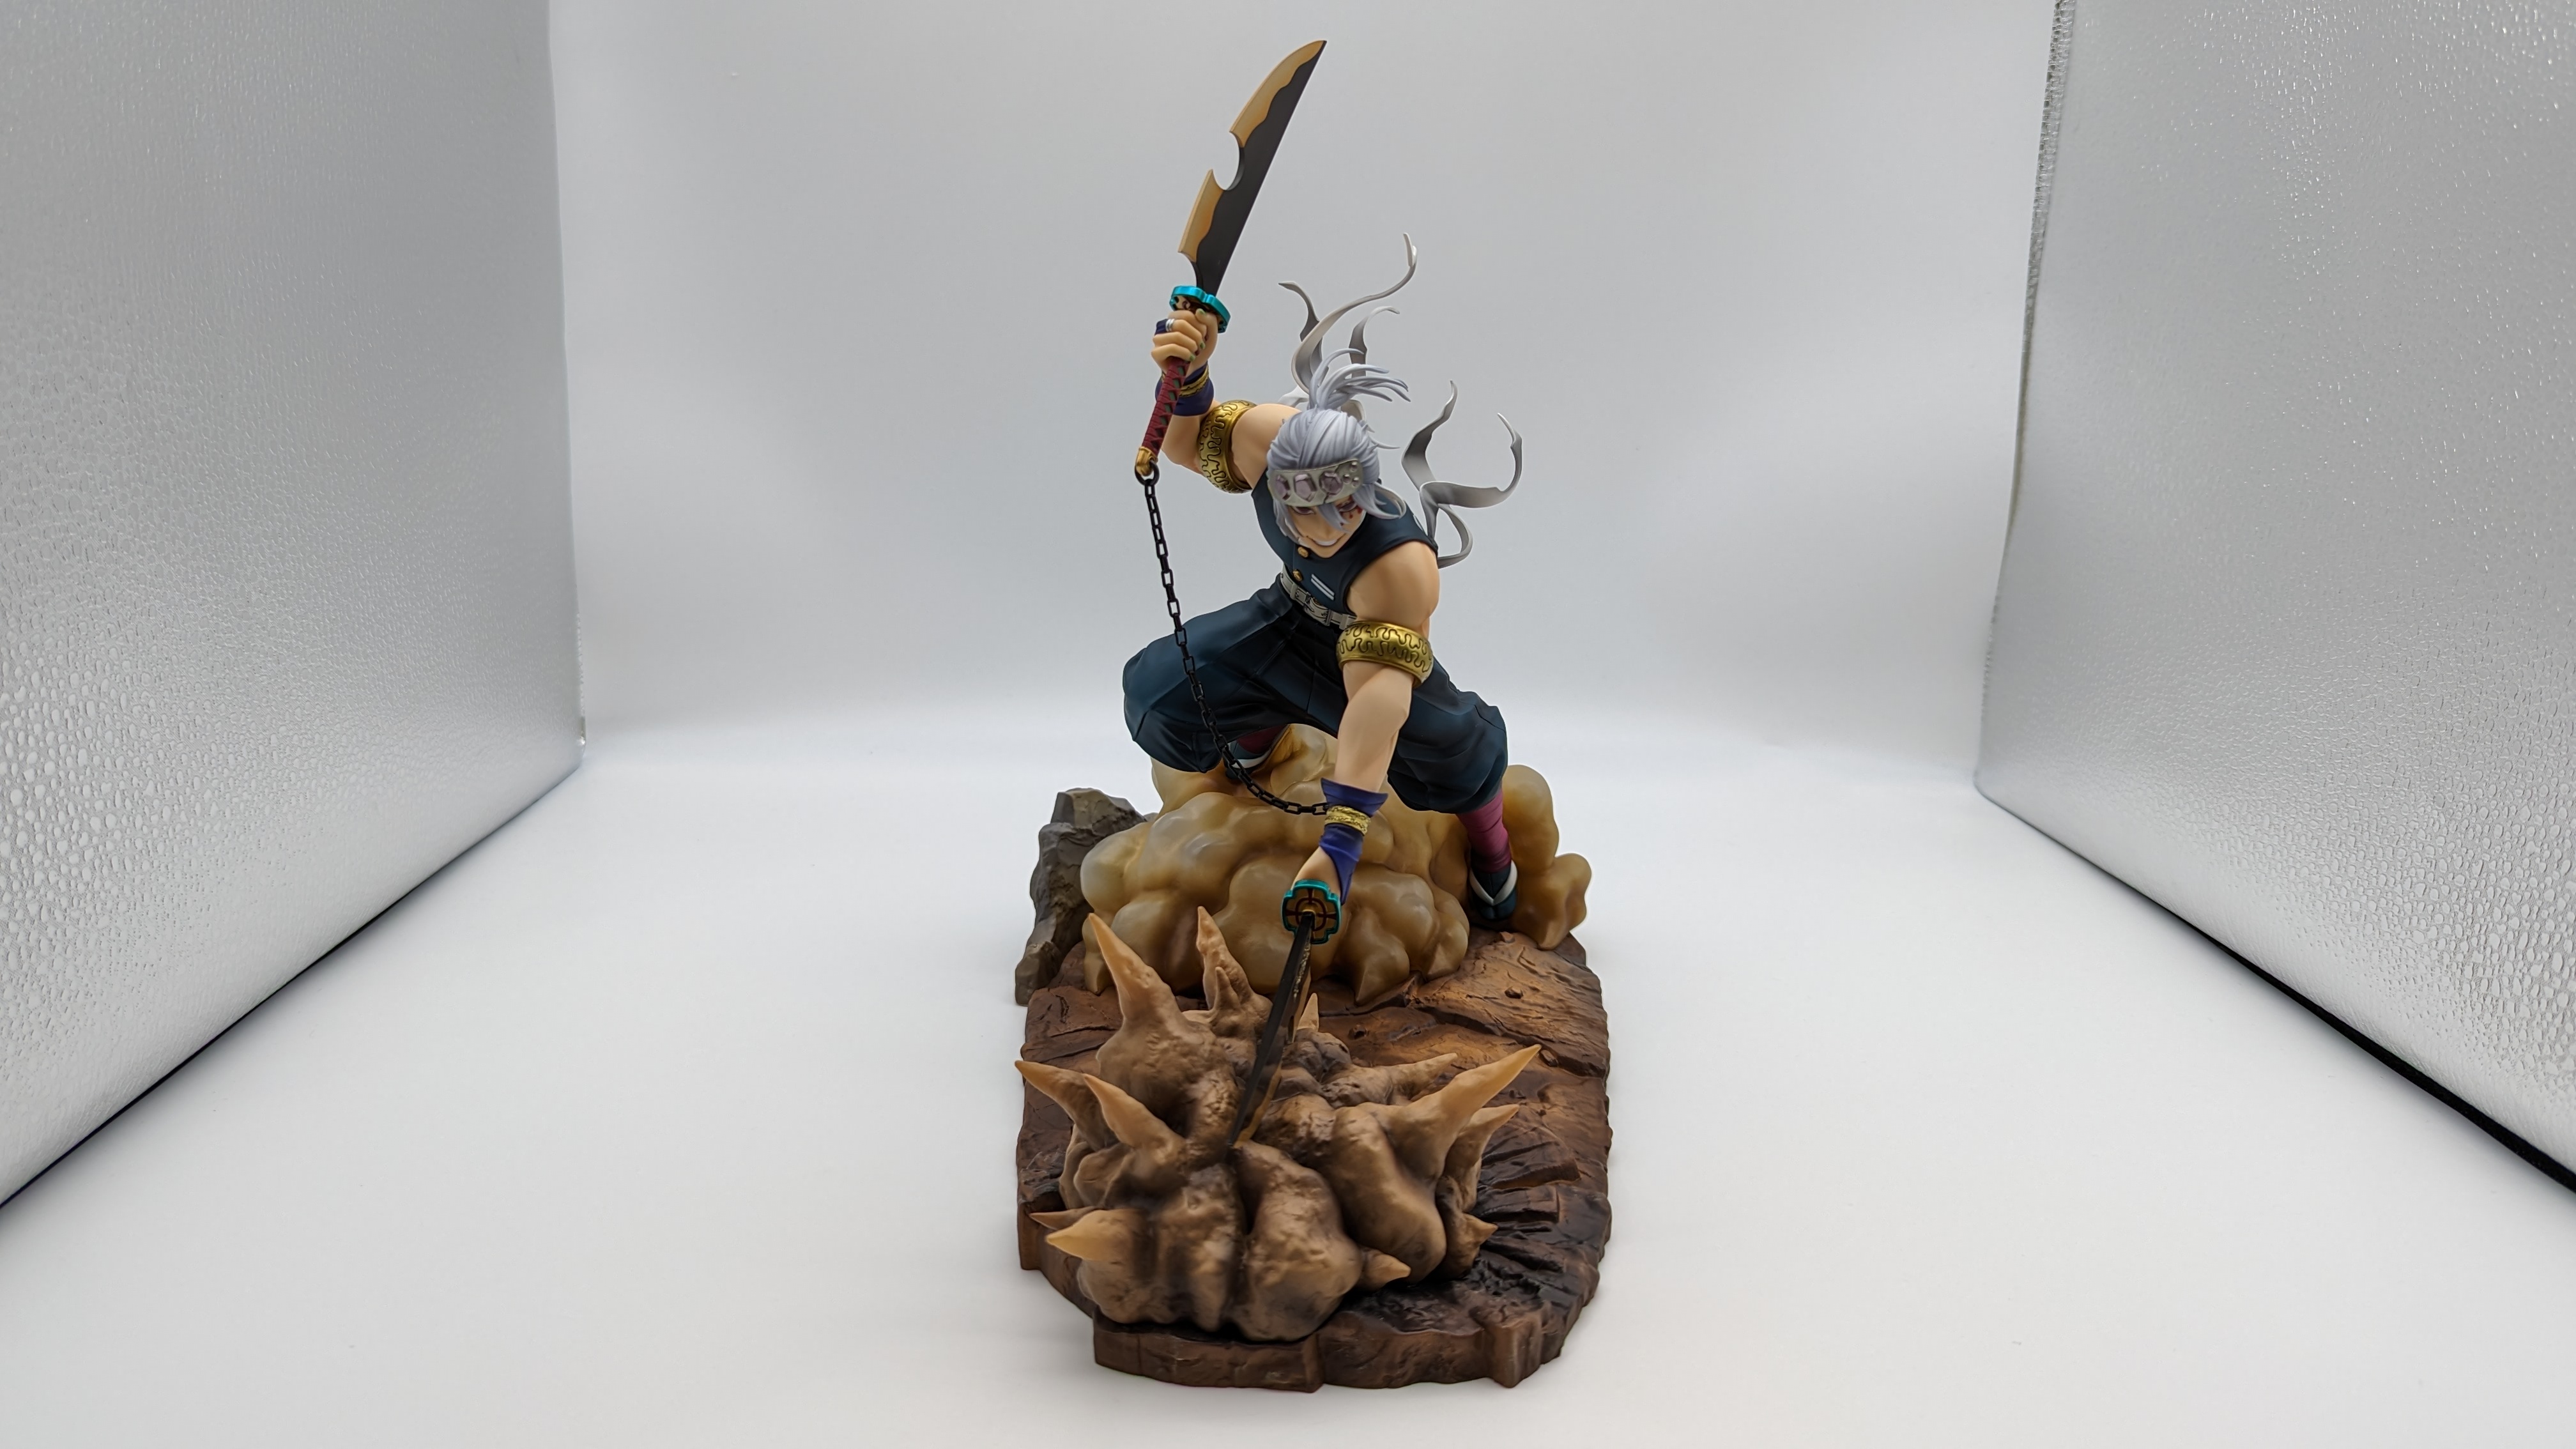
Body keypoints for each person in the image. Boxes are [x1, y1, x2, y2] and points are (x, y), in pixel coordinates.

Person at [1124, 247, 1524, 930]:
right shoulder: (1263, 437)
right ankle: (1259, 742)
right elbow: (1185, 448)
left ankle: (1494, 851)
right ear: (1277, 479)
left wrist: (1339, 846)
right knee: (1158, 691)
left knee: (1459, 755)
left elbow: (1375, 699)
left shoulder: (1398, 571)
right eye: (1304, 506)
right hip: (1289, 612)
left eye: (1345, 503)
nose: (1328, 524)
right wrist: (1190, 376)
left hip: (1368, 650)